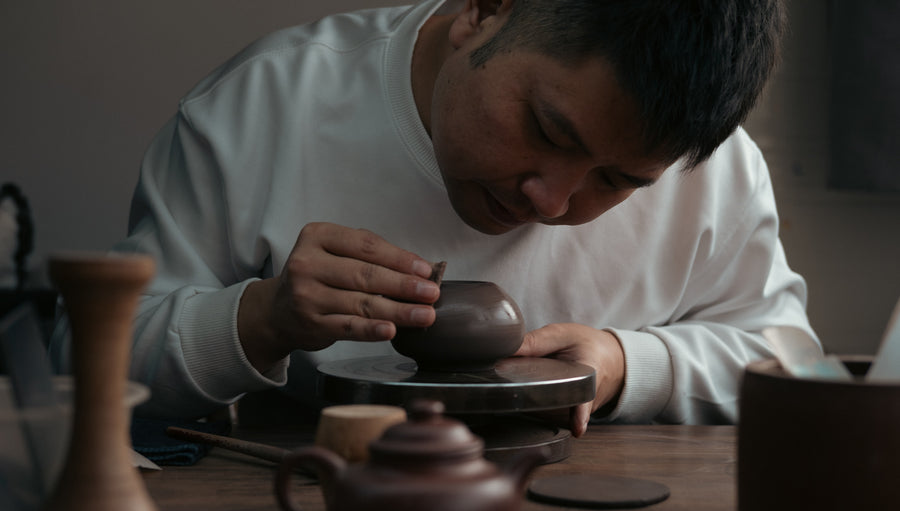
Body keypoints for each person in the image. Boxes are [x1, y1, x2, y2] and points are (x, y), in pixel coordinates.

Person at [50, 0, 816, 435]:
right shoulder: (264, 107)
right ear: (485, 11)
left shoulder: (711, 168)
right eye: (549, 131)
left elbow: (791, 364)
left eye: (616, 181)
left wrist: (626, 366)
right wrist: (260, 318)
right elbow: (75, 364)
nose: (550, 204)